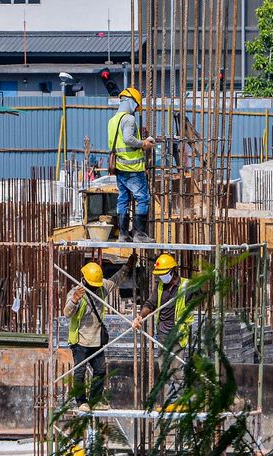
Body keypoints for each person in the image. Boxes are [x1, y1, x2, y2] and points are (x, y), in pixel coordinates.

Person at [64, 253, 136, 412]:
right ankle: (81, 402)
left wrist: (128, 266)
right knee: (80, 373)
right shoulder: (76, 292)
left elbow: (116, 280)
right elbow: (67, 313)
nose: (95, 288)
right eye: (92, 285)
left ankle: (95, 400)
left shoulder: (102, 286)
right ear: (84, 280)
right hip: (80, 341)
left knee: (101, 370)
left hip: (97, 340)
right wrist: (74, 300)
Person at [132, 254, 194, 404]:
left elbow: (201, 294)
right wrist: (140, 316)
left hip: (178, 334)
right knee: (165, 371)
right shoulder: (160, 287)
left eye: (163, 274)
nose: (161, 277)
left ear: (173, 271)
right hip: (162, 335)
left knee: (177, 370)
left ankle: (182, 402)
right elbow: (150, 304)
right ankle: (169, 402)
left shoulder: (187, 286)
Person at [108, 87, 155, 243]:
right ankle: (139, 234)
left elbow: (118, 143)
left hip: (120, 168)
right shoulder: (129, 119)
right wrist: (144, 144)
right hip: (132, 168)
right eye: (136, 105)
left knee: (123, 199)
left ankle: (123, 234)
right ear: (130, 101)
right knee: (143, 198)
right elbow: (128, 139)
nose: (136, 109)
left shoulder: (112, 121)